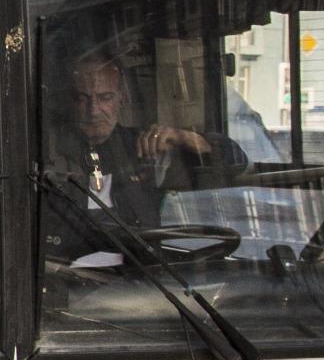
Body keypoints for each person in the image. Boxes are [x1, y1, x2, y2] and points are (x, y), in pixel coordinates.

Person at [56, 45, 220, 229]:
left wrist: (189, 139)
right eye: (83, 98)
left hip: (136, 256)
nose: (93, 111)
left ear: (122, 98)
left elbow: (234, 168)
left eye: (105, 97)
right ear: (71, 100)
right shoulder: (47, 151)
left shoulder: (144, 148)